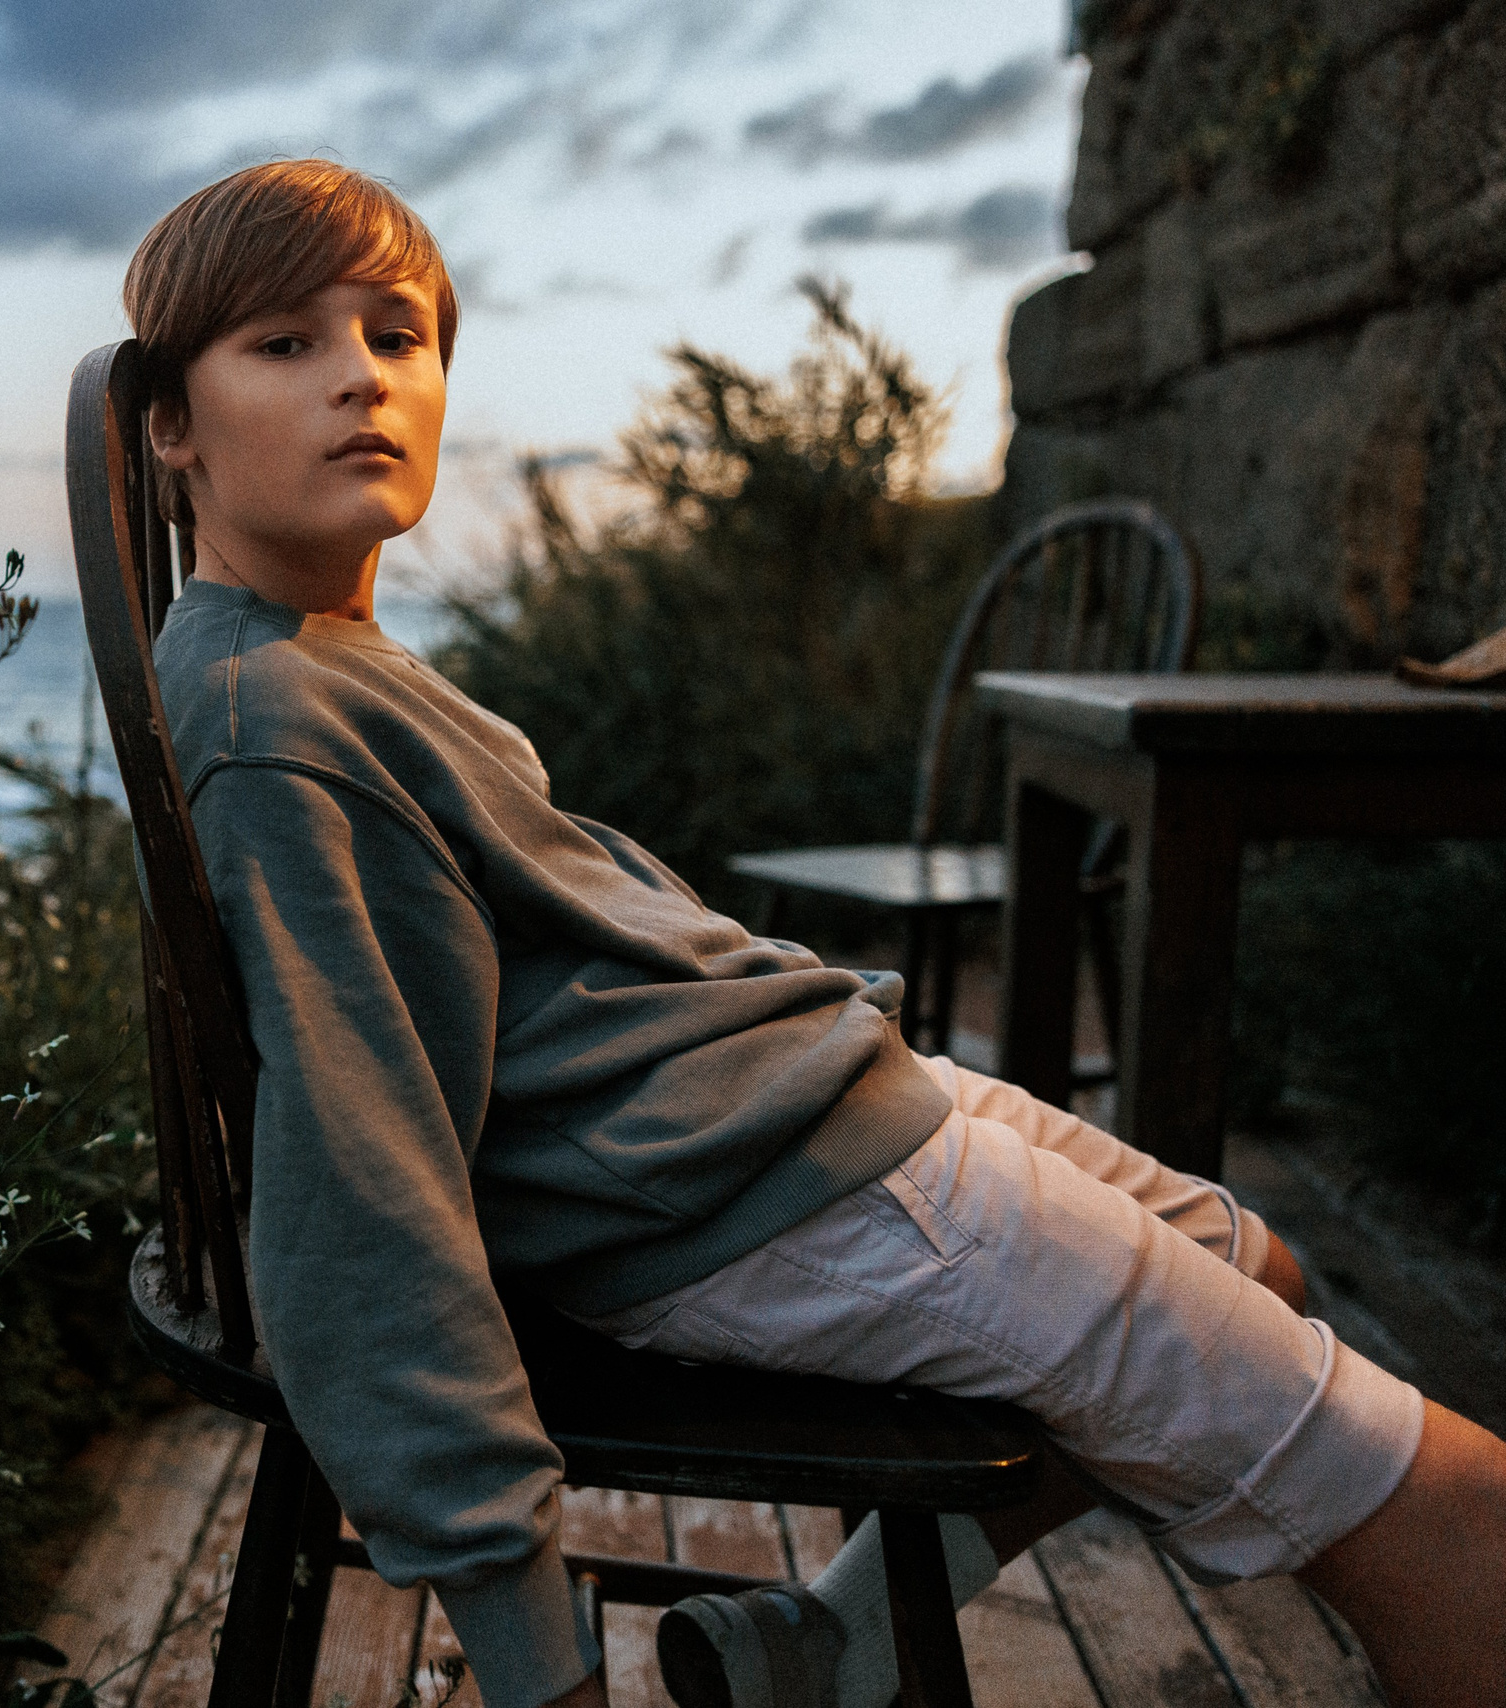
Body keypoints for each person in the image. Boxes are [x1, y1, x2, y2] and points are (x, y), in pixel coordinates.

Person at [126, 157, 1506, 1708]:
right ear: (172, 424)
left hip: (797, 1099)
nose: (361, 380)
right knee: (1459, 1508)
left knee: (1264, 1266)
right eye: (285, 343)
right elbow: (360, 1196)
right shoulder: (279, 730)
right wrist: (537, 1656)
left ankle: (814, 1650)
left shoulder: (326, 658)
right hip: (751, 1191)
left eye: (397, 334)